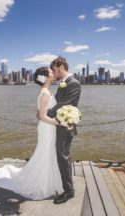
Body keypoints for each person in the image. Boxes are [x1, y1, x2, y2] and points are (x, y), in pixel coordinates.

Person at [0, 67, 63, 200]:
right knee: (46, 153)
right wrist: (59, 122)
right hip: (48, 127)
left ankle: (48, 182)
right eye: (51, 72)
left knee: (47, 152)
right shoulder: (45, 93)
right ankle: (43, 184)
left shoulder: (45, 91)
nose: (53, 73)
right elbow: (43, 116)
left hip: (47, 127)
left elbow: (39, 113)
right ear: (45, 77)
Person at [47, 56, 81, 204]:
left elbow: (63, 104)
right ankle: (66, 186)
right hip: (59, 124)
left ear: (61, 67)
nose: (53, 74)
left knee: (63, 157)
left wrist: (45, 113)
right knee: (62, 156)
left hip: (66, 127)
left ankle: (69, 191)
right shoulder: (63, 83)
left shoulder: (73, 83)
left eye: (54, 70)